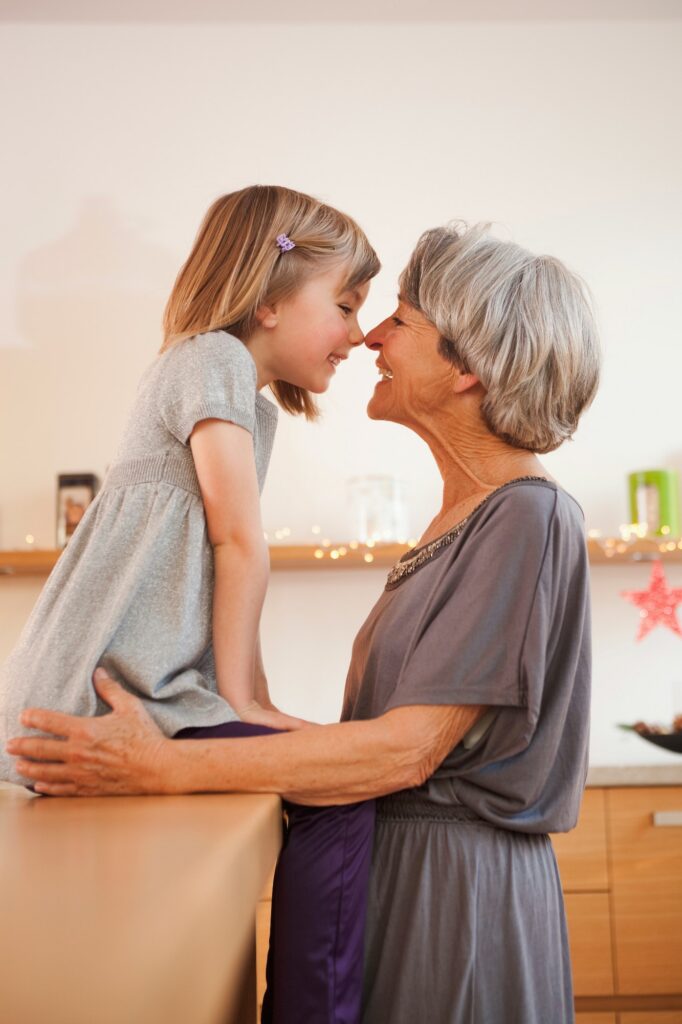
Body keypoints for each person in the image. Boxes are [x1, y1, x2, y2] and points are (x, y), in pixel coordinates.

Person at [8, 221, 600, 1024]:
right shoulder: (461, 520)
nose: (373, 336)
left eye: (403, 319)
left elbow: (408, 748)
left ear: (467, 367)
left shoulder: (526, 519)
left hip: (454, 906)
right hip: (400, 882)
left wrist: (160, 765)